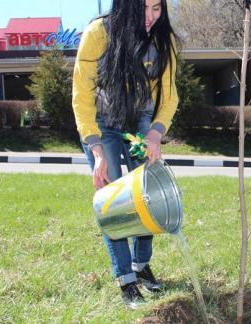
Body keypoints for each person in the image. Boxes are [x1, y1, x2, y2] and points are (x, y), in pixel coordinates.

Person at [72, 0, 178, 309]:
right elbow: (82, 95)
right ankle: (125, 280)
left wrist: (155, 134)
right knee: (112, 201)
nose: (150, 17)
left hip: (140, 121)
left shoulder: (162, 39)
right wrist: (97, 149)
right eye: (143, 8)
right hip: (102, 123)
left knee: (148, 194)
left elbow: (169, 95)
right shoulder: (98, 33)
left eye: (157, 8)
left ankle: (140, 265)